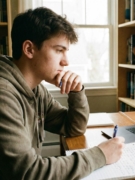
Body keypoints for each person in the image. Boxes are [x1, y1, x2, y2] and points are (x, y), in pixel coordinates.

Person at [0, 7, 125, 180]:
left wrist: (76, 91)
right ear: (29, 49)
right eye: (59, 50)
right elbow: (28, 172)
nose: (66, 61)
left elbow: (73, 128)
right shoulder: (4, 95)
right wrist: (100, 155)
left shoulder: (36, 90)